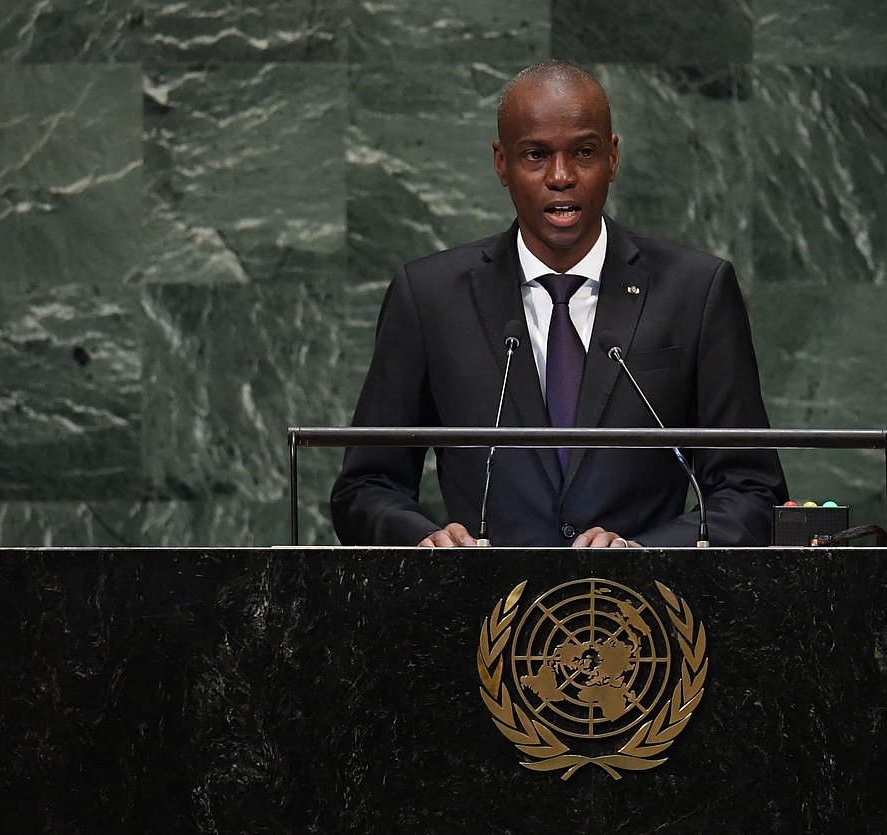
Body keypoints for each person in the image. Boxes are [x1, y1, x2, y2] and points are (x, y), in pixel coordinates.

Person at [331, 60, 786, 548]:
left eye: (584, 152)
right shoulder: (430, 297)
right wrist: (425, 541)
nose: (561, 176)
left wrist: (647, 554)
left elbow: (750, 489)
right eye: (535, 155)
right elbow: (366, 485)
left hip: (643, 614)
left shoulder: (695, 291)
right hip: (480, 612)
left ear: (612, 158)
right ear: (501, 163)